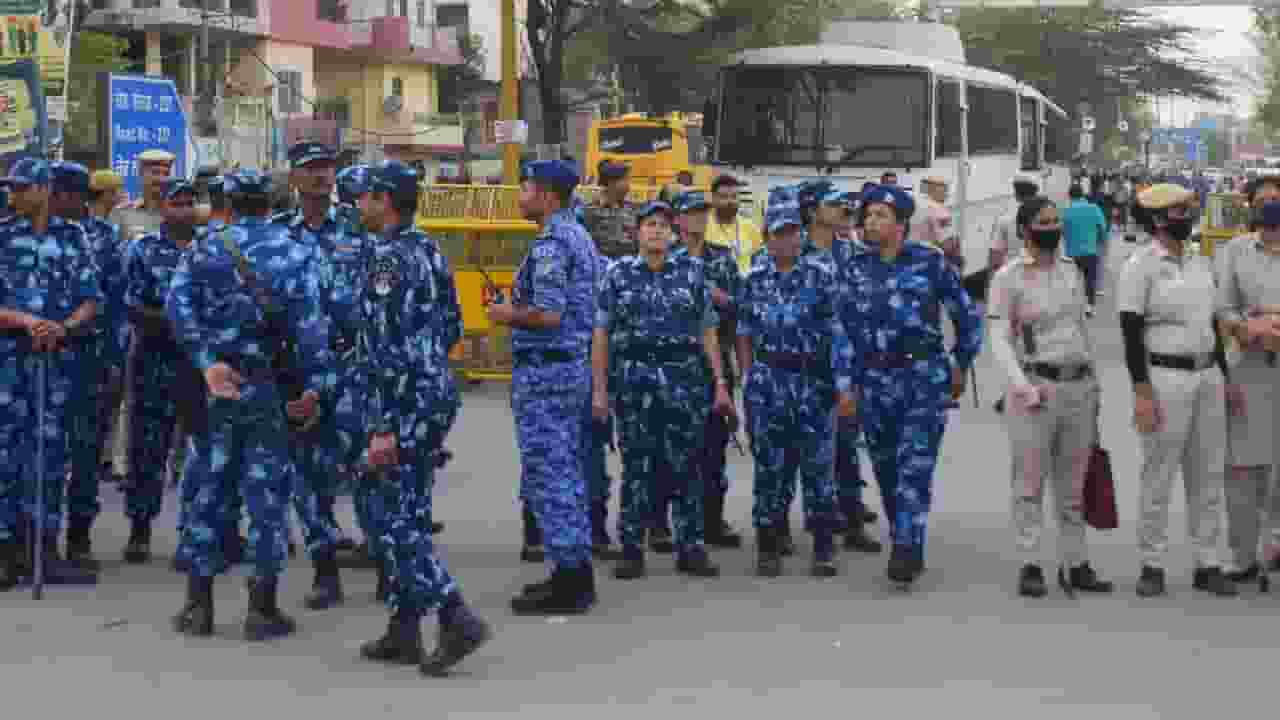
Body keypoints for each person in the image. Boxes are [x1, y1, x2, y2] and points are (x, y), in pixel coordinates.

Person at [167, 168, 332, 640]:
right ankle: (262, 609)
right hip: (269, 389)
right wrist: (314, 387)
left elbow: (178, 308)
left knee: (208, 490)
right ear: (271, 201)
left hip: (217, 388)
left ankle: (198, 607)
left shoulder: (204, 247)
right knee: (266, 497)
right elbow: (311, 327)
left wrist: (205, 361)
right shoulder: (295, 251)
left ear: (228, 202)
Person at [352, 160, 490, 676]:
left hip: (402, 400)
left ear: (385, 200)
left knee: (388, 514)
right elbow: (452, 321)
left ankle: (454, 614)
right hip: (430, 391)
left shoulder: (387, 259)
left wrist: (383, 424)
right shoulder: (428, 249)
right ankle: (404, 625)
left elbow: (385, 348)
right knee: (406, 506)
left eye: (365, 195)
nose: (359, 204)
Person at [841, 184, 983, 587]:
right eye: (867, 216)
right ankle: (907, 536)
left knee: (914, 468)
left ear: (901, 225)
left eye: (880, 216)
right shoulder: (855, 267)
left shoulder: (930, 262)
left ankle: (907, 546)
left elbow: (967, 316)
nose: (871, 222)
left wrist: (960, 361)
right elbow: (843, 330)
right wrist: (846, 384)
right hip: (874, 381)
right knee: (886, 469)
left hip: (922, 380)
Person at [594, 200, 734, 580]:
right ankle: (631, 548)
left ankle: (691, 546)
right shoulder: (617, 274)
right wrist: (600, 391)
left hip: (684, 381)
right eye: (649, 224)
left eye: (663, 225)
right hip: (635, 381)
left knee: (687, 465)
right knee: (638, 466)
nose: (656, 231)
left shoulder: (692, 273)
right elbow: (602, 334)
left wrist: (720, 382)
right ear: (637, 232)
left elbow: (707, 331)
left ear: (673, 234)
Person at [987, 196, 1114, 597]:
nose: (1052, 228)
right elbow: (999, 339)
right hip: (1033, 389)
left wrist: (1094, 382)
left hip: (1078, 387)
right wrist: (1021, 387)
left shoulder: (1071, 272)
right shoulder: (1008, 277)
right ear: (1026, 229)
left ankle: (1076, 563)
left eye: (1055, 221)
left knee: (1072, 485)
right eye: (1043, 221)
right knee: (1029, 483)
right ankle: (1030, 563)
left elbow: (1079, 330)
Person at [489, 160, 599, 614]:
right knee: (564, 471)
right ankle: (571, 570)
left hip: (548, 373)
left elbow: (550, 313)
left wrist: (506, 314)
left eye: (528, 186)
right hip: (563, 369)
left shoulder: (554, 241)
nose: (522, 192)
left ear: (549, 196)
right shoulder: (576, 234)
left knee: (551, 474)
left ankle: (570, 581)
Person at [1116, 182, 1236, 597]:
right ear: (1158, 219)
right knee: (1159, 474)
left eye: (1188, 209)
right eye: (1178, 211)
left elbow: (1214, 327)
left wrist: (1225, 378)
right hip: (1164, 378)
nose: (1187, 216)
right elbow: (1130, 332)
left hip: (1207, 377)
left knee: (1208, 475)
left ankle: (1209, 561)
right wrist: (1141, 391)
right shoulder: (1140, 265)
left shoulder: (1202, 261)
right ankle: (1152, 563)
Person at [736, 189, 857, 578]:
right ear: (767, 238)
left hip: (812, 381)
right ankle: (768, 544)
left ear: (800, 235)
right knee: (770, 468)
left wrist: (842, 384)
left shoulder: (822, 277)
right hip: (769, 380)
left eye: (791, 232)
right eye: (777, 233)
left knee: (818, 468)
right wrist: (747, 376)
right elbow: (743, 332)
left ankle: (823, 546)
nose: (785, 240)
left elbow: (839, 332)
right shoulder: (754, 278)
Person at [0, 157, 102, 588]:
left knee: (50, 454)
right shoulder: (2, 236)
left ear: (43, 191)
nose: (14, 195)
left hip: (57, 361)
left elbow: (91, 298)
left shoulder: (73, 236)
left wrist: (64, 326)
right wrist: (26, 322)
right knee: (6, 455)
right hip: (9, 362)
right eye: (12, 188)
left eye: (22, 188)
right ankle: (6, 550)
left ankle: (44, 548)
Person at [274, 141, 352, 611]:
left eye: (327, 168)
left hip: (353, 367)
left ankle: (390, 564)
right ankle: (325, 569)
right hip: (301, 370)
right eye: (311, 169)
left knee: (368, 467)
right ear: (295, 179)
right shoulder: (280, 236)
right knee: (309, 474)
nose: (322, 176)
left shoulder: (358, 227)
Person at [51, 162, 125, 571]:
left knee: (84, 451)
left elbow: (115, 302)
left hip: (89, 356)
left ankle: (79, 537)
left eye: (63, 191)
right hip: (37, 357)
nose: (56, 198)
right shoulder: (27, 232)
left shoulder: (104, 237)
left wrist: (114, 361)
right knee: (37, 450)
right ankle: (32, 541)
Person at [671, 190, 745, 549]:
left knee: (713, 448)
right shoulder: (664, 259)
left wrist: (722, 299)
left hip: (715, 363)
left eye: (704, 214)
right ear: (678, 220)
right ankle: (660, 524)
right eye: (692, 214)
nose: (699, 220)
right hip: (672, 366)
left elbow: (741, 307)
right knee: (667, 448)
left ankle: (713, 521)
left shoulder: (722, 258)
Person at [1213, 198, 1280, 584]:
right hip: (1247, 368)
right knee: (1243, 467)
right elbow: (1222, 307)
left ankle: (1276, 546)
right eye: (1266, 231)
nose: (1272, 239)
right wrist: (1247, 328)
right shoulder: (1236, 251)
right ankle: (1242, 556)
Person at [576, 159, 636, 557]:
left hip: (627, 324)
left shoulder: (635, 215)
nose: (628, 186)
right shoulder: (587, 214)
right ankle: (592, 527)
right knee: (590, 441)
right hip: (594, 322)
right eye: (623, 180)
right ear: (609, 182)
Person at [1062, 185, 1107, 316]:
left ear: (1069, 196)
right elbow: (1102, 228)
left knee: (1071, 282)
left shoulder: (1067, 211)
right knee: (1090, 279)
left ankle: (1068, 308)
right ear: (1083, 195)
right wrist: (1100, 242)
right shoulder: (1094, 208)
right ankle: (1089, 307)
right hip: (1090, 251)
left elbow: (1063, 231)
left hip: (1072, 253)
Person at [706, 174, 762, 275]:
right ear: (713, 198)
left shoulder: (750, 227)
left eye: (734, 196)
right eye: (724, 197)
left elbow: (759, 260)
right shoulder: (703, 227)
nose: (730, 201)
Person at [989, 174, 1040, 271]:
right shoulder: (1047, 219)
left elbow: (995, 256)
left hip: (1012, 276)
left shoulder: (1004, 219)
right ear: (1036, 193)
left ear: (1016, 195)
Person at [915, 176, 962, 272]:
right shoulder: (938, 209)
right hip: (932, 264)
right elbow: (947, 245)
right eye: (945, 189)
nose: (947, 194)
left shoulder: (914, 205)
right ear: (934, 189)